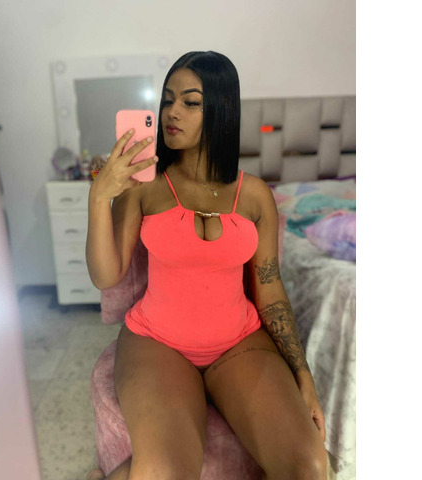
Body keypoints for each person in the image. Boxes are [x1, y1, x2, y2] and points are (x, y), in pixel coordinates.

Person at [85, 51, 327, 480]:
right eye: (167, 100)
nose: (172, 112)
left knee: (308, 466)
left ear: (220, 109)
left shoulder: (255, 195)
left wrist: (301, 374)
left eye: (190, 102)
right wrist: (100, 196)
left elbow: (270, 289)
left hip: (238, 341)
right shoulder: (144, 187)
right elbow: (106, 275)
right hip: (157, 341)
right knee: (164, 472)